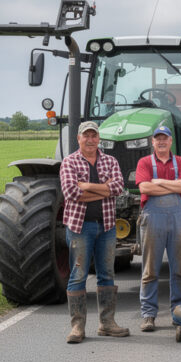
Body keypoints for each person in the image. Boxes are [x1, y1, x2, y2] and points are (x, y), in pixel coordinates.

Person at [59, 121, 130, 344]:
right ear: (78, 138)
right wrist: (103, 189)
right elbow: (71, 192)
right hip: (80, 227)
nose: (90, 140)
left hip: (107, 226)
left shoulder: (110, 160)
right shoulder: (69, 162)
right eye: (86, 136)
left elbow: (118, 188)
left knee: (106, 273)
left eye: (94, 135)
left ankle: (107, 323)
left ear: (99, 138)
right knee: (78, 275)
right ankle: (78, 327)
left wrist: (86, 186)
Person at [135, 125, 181, 333]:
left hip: (178, 218)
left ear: (171, 141)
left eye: (165, 138)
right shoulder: (144, 162)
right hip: (153, 219)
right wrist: (174, 184)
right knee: (150, 269)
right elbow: (144, 188)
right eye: (157, 138)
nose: (161, 141)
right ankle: (149, 315)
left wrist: (159, 182)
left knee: (179, 268)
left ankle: (178, 311)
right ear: (153, 142)